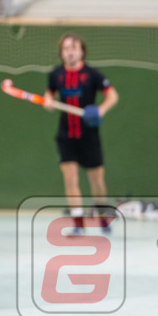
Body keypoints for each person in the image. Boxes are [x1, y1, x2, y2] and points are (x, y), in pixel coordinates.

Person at [44, 33, 119, 233]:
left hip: (89, 135)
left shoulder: (93, 75)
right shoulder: (56, 75)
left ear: (81, 51)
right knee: (70, 179)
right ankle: (78, 223)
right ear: (61, 53)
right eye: (65, 48)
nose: (69, 52)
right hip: (66, 135)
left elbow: (112, 95)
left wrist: (100, 110)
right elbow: (49, 94)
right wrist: (48, 102)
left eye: (73, 48)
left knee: (97, 180)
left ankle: (102, 214)